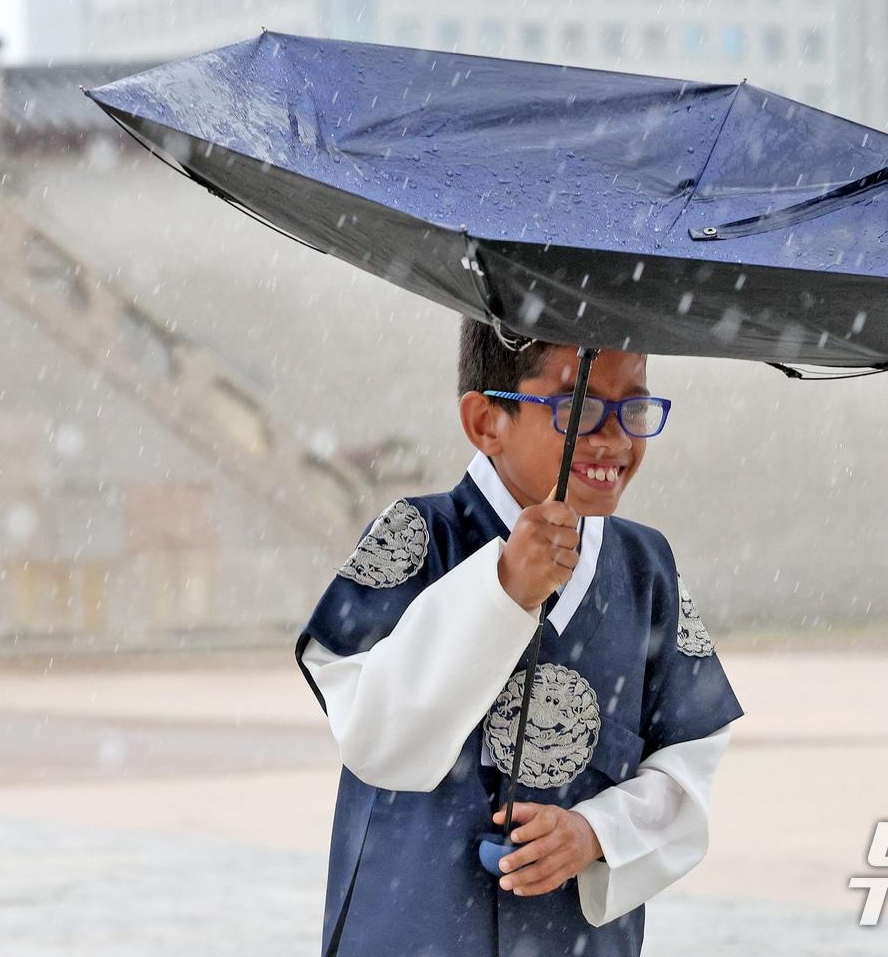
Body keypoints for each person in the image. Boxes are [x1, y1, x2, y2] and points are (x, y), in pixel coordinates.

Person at [295, 317, 746, 956]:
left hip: (572, 939)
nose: (613, 438)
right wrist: (502, 589)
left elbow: (690, 758)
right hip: (411, 925)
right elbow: (373, 735)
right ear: (486, 422)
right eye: (580, 409)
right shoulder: (416, 535)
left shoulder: (647, 567)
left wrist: (596, 831)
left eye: (634, 407)